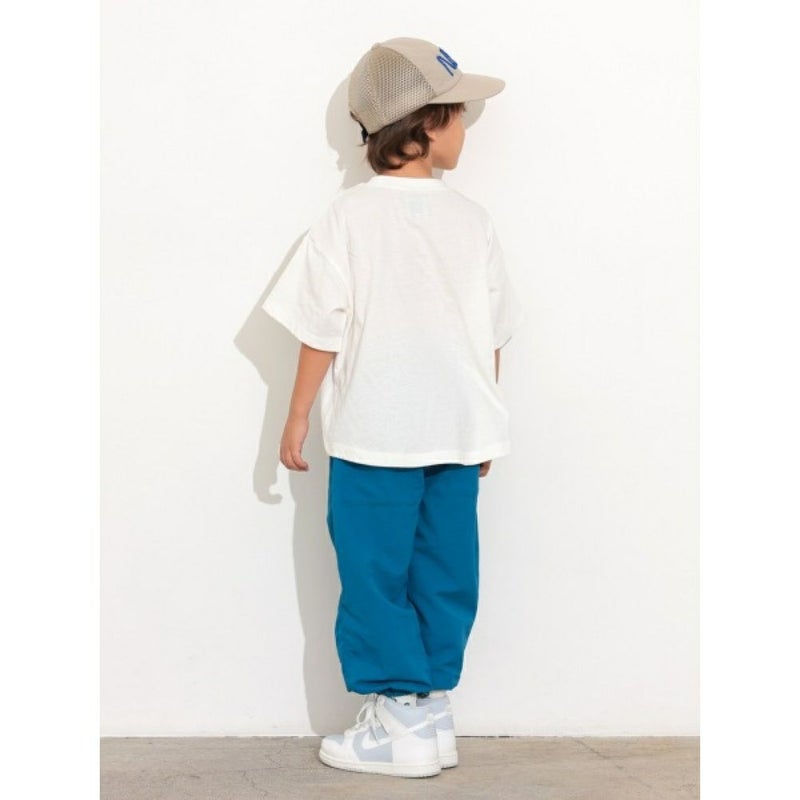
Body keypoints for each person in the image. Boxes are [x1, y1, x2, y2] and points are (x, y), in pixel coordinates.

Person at [261, 36, 524, 778]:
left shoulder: (347, 218)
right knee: (446, 569)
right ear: (426, 123)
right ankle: (428, 710)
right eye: (459, 114)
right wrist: (484, 422)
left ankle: (403, 717)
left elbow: (321, 328)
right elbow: (491, 334)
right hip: (453, 433)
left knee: (374, 573)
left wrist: (296, 414)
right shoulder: (471, 220)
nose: (467, 127)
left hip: (375, 434)